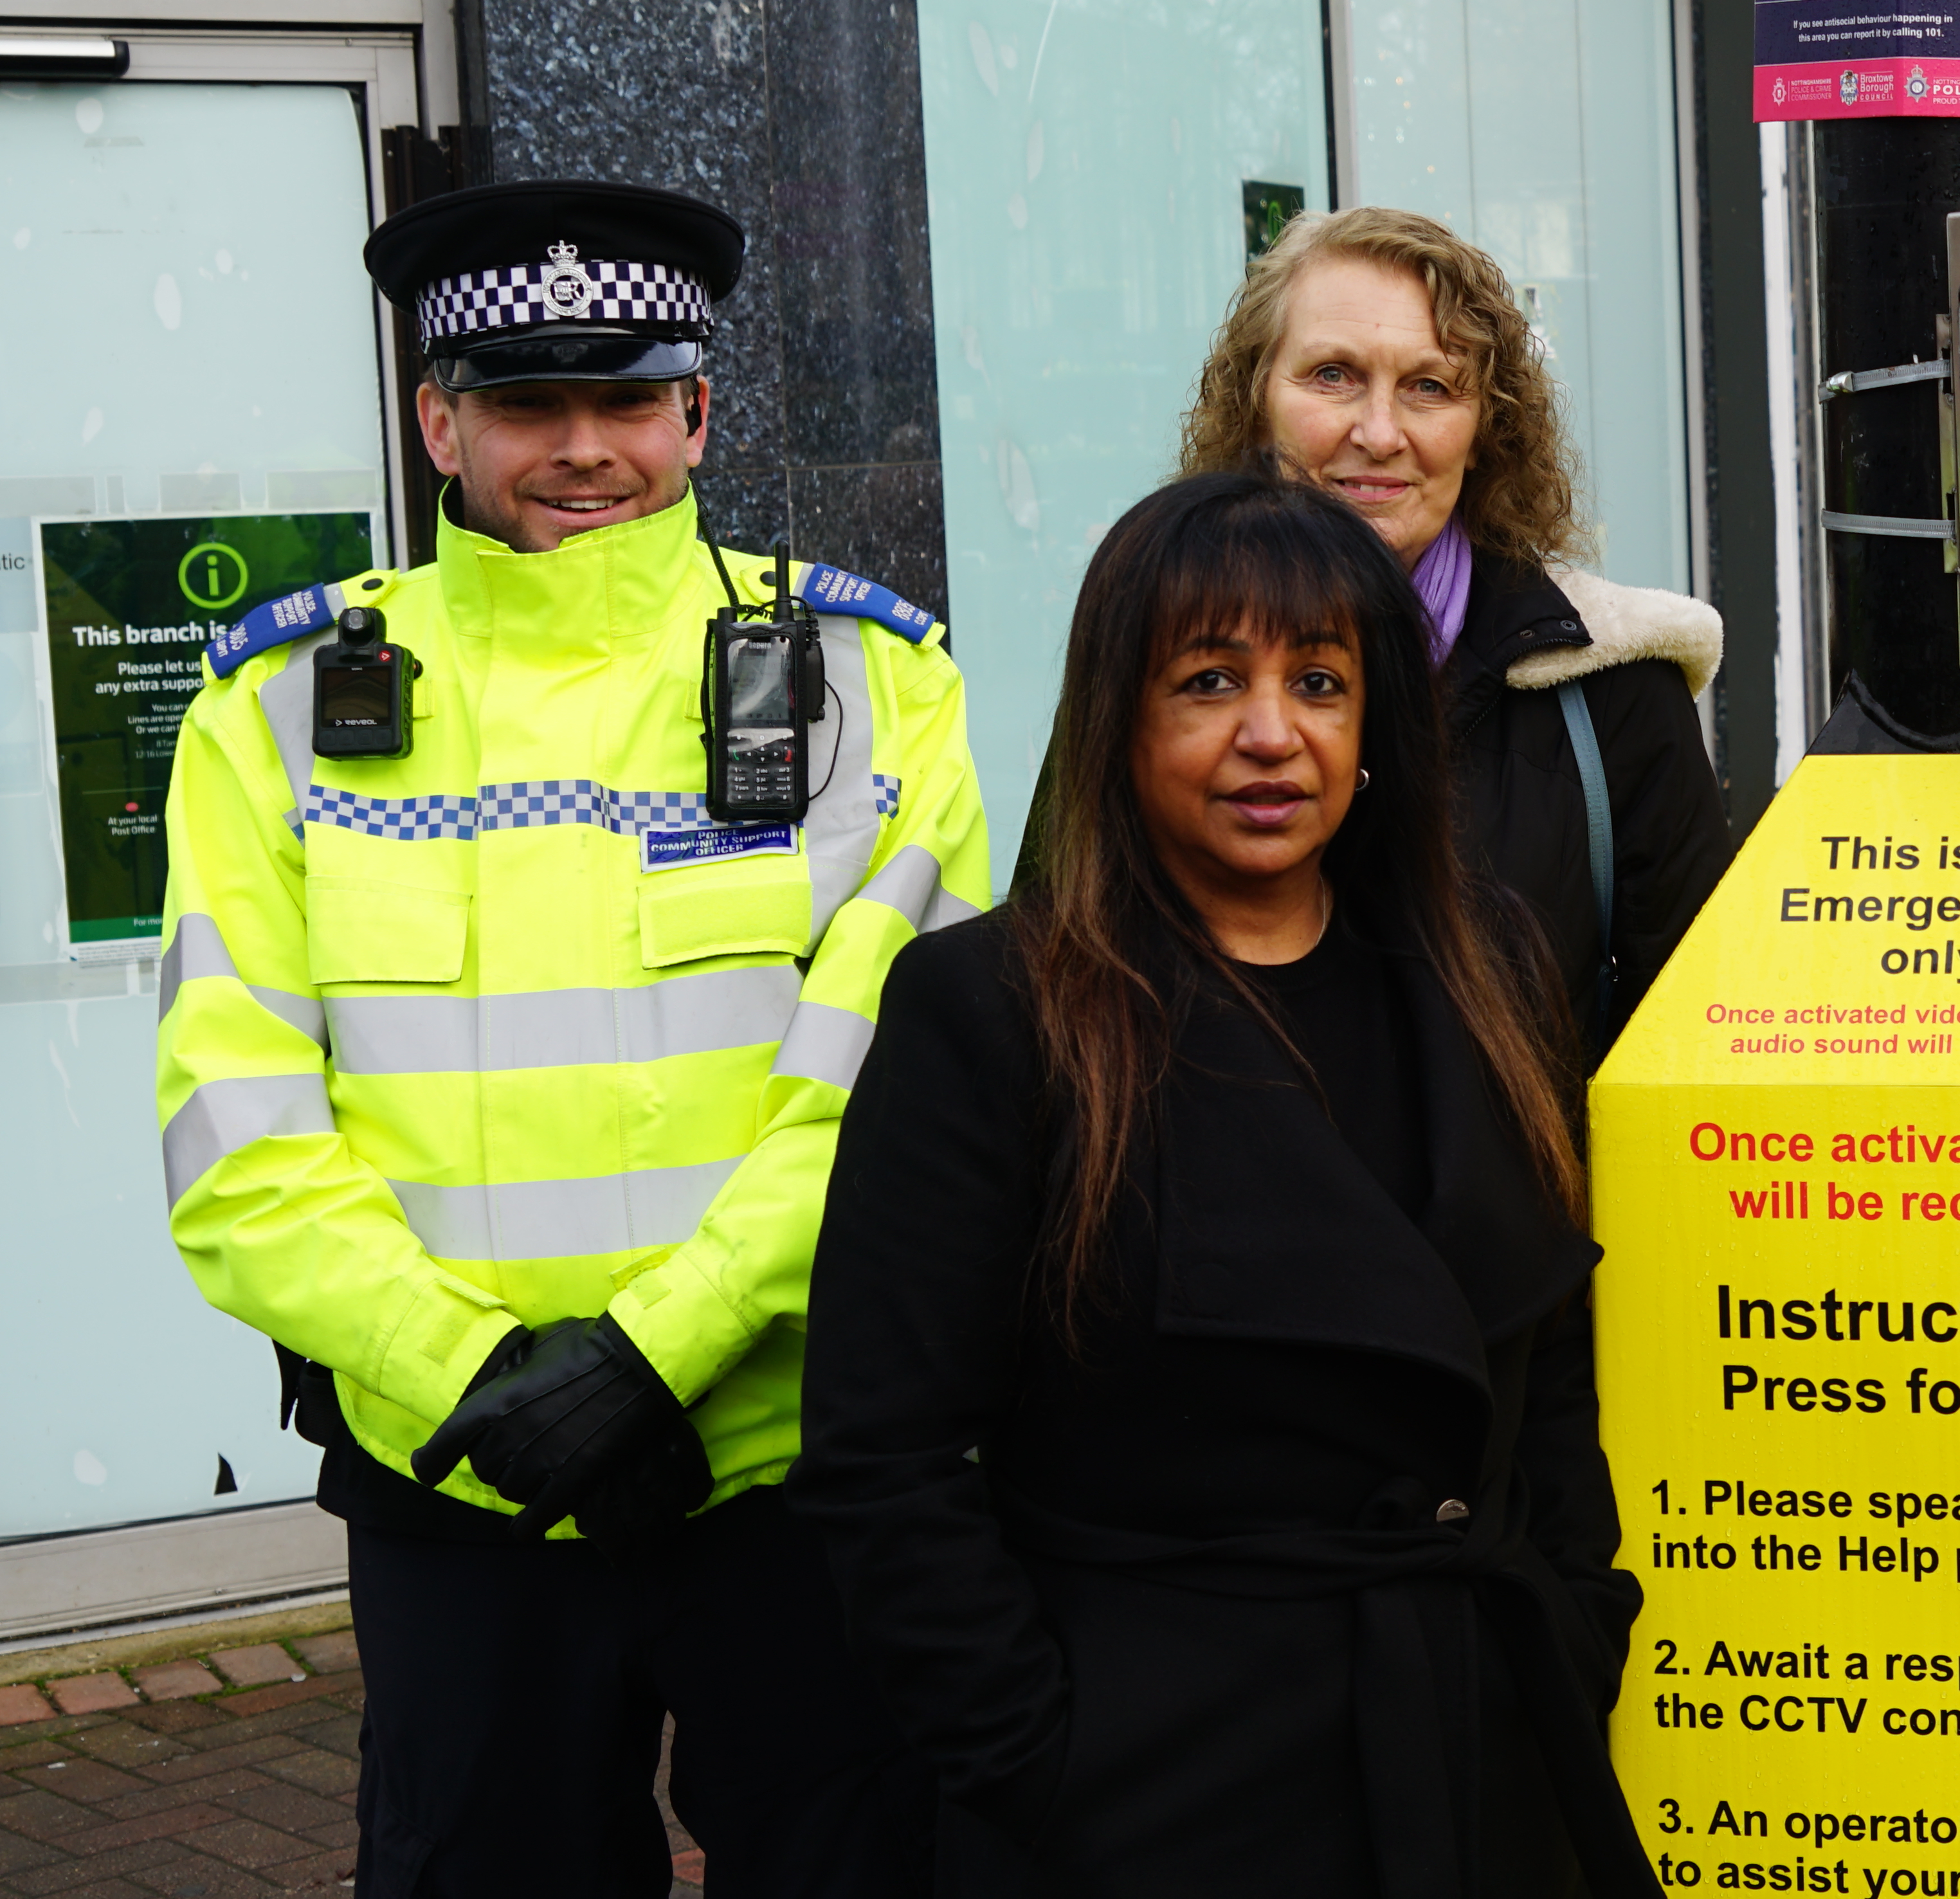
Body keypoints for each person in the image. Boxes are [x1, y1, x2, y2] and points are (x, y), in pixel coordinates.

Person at [156, 179, 985, 1892]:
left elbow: (910, 1097)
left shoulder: (870, 685)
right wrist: (477, 1383)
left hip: (781, 1474)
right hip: (460, 1493)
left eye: (628, 395)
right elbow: (238, 1145)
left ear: (699, 408)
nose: (585, 445)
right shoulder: (280, 714)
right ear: (437, 419)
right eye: (530, 400)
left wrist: (646, 1359)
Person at [795, 473, 1649, 1896]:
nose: (1273, 732)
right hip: (1158, 1782)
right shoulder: (999, 1005)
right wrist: (1040, 1757)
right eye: (1208, 679)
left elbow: (1541, 1356)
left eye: (1320, 678)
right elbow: (883, 1460)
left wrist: (1575, 1618)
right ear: (1120, 717)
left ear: (1375, 722)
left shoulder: (1483, 961)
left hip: (1477, 1731)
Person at [1175, 207, 1726, 1060]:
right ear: (1256, 403)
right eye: (1333, 375)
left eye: (1430, 387)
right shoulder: (1155, 657)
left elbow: (1693, 1060)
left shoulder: (1614, 692)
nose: (1381, 432)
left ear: (1486, 431)